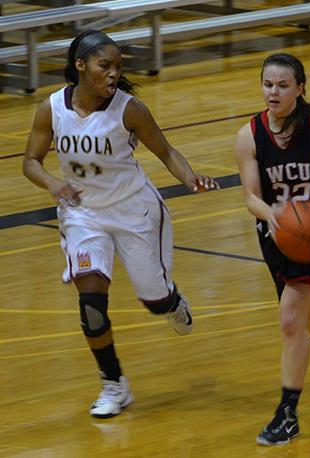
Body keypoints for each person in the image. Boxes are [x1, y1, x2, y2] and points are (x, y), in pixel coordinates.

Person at [23, 30, 219, 419]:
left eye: (118, 67)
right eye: (104, 66)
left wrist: (190, 178)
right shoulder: (52, 108)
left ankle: (172, 300)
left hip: (134, 212)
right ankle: (114, 383)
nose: (113, 74)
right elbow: (30, 161)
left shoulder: (131, 110)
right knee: (92, 306)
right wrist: (53, 183)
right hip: (83, 215)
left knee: (154, 300)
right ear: (81, 66)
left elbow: (166, 151)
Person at [234, 53, 310, 446]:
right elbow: (251, 196)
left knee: (289, 320)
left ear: (300, 88)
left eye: (283, 85)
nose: (274, 92)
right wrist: (275, 216)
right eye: (268, 84)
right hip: (276, 232)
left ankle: (287, 414)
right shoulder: (249, 134)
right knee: (298, 313)